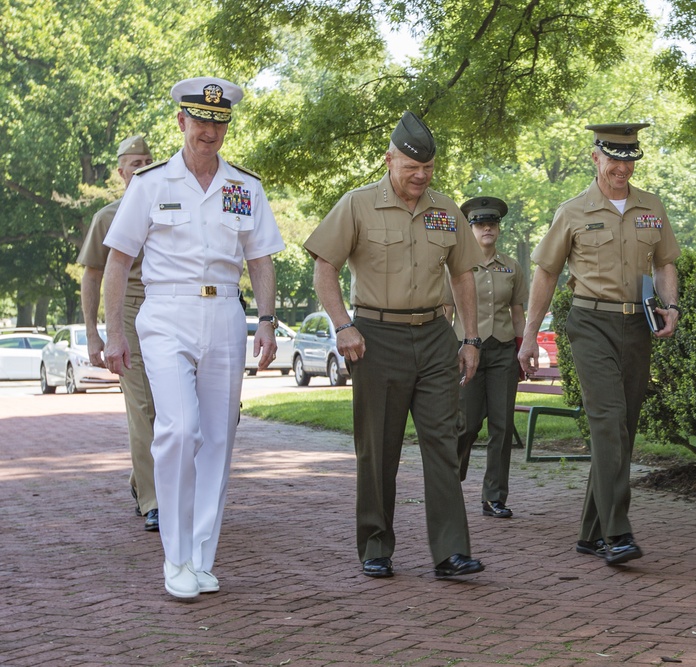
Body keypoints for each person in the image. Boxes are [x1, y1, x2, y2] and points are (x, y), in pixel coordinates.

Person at [102, 77, 285, 599]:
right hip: (165, 310)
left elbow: (261, 258)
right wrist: (114, 333)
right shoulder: (151, 183)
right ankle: (175, 556)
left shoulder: (244, 187)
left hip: (225, 310)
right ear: (181, 122)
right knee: (180, 430)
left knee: (219, 439)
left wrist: (266, 321)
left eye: (218, 121)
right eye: (200, 121)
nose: (209, 131)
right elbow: (118, 261)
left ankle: (202, 557)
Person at [305, 111, 486, 580]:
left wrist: (469, 337)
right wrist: (343, 325)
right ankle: (376, 545)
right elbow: (324, 267)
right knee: (378, 447)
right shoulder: (357, 204)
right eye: (411, 167)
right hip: (375, 337)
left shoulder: (446, 210)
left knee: (443, 444)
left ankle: (450, 552)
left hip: (435, 336)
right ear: (389, 160)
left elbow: (462, 274)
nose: (420, 176)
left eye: (427, 168)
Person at [518, 123, 681, 565]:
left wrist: (672, 305)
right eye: (614, 160)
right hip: (590, 323)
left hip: (637, 327)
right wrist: (531, 335)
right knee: (609, 424)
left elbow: (665, 263)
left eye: (630, 160)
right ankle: (617, 533)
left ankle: (590, 531)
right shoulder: (572, 211)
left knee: (622, 431)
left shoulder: (652, 207)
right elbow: (546, 273)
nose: (623, 169)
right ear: (596, 158)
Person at [77, 134, 159, 532]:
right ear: (121, 171)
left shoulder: (170, 206)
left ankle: (139, 479)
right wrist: (96, 334)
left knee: (175, 407)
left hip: (169, 308)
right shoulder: (107, 217)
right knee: (143, 406)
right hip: (127, 309)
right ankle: (154, 500)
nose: (142, 166)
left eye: (148, 160)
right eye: (135, 162)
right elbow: (92, 277)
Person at [447, 196, 528, 519]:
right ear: (470, 229)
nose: (487, 229)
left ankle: (494, 496)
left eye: (492, 224)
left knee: (502, 425)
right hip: (466, 351)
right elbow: (445, 311)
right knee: (466, 424)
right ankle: (449, 484)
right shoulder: (457, 266)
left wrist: (524, 349)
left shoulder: (511, 266)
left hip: (503, 351)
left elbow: (518, 310)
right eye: (480, 224)